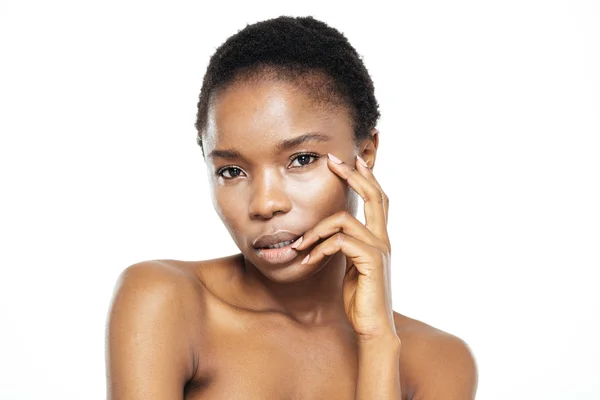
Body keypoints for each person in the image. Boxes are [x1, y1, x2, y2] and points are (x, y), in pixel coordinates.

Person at [105, 15, 478, 399]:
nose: (266, 204)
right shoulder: (166, 302)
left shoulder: (438, 361)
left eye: (301, 160)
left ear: (364, 154)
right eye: (232, 171)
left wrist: (378, 341)